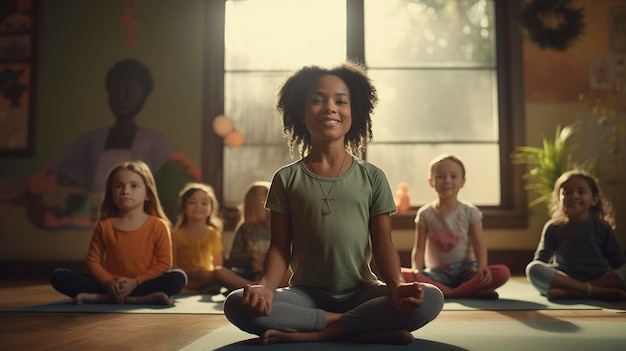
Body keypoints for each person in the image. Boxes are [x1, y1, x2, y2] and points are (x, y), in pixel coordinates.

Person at [223, 61, 444, 345]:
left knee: (431, 298)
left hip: (363, 292)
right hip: (305, 296)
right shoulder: (286, 178)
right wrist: (266, 288)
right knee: (237, 303)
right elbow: (279, 247)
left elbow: (383, 244)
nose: (330, 107)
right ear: (301, 114)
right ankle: (360, 326)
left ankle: (320, 331)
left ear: (355, 112)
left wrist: (397, 286)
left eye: (341, 101)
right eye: (317, 100)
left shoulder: (372, 177)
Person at [1, 58, 200, 229]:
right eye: (116, 91)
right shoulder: (92, 139)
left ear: (144, 96)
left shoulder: (155, 142)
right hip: (92, 209)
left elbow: (183, 177)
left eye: (129, 91)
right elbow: (55, 173)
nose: (122, 98)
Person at [49, 160, 187, 305]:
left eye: (134, 186)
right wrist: (109, 282)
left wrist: (135, 282)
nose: (125, 191)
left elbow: (164, 264)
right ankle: (139, 299)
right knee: (59, 277)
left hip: (143, 283)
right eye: (119, 186)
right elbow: (93, 261)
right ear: (111, 194)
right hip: (110, 284)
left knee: (178, 278)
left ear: (147, 194)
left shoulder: (159, 225)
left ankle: (101, 298)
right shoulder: (104, 226)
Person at [401, 154, 510, 299]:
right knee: (399, 273)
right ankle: (468, 291)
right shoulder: (425, 214)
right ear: (430, 181)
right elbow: (419, 247)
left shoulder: (470, 212)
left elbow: (479, 243)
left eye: (453, 176)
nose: (447, 181)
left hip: (468, 271)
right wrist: (416, 269)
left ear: (462, 182)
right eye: (440, 176)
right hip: (437, 274)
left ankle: (447, 293)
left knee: (502, 272)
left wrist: (482, 267)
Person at [526, 170, 626, 301]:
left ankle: (576, 291)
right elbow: (540, 261)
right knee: (533, 268)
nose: (574, 196)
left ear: (594, 199)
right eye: (567, 193)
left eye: (581, 192)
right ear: (559, 200)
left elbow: (618, 263)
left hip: (598, 278)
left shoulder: (603, 228)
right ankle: (595, 292)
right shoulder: (553, 227)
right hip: (564, 279)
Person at [172, 182, 256, 293]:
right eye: (192, 202)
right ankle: (195, 291)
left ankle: (253, 287)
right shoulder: (176, 234)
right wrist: (190, 272)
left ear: (211, 208)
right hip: (185, 279)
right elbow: (172, 264)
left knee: (220, 273)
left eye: (204, 203)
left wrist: (207, 274)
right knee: (173, 277)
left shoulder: (212, 234)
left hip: (207, 279)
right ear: (183, 207)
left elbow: (217, 265)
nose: (198, 206)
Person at [227, 181, 290, 287]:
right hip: (250, 272)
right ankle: (255, 286)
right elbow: (233, 257)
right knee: (218, 272)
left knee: (289, 272)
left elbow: (291, 255)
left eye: (262, 201)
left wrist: (268, 263)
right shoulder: (244, 228)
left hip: (275, 272)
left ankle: (258, 287)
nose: (259, 205)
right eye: (254, 202)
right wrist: (250, 256)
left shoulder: (282, 226)